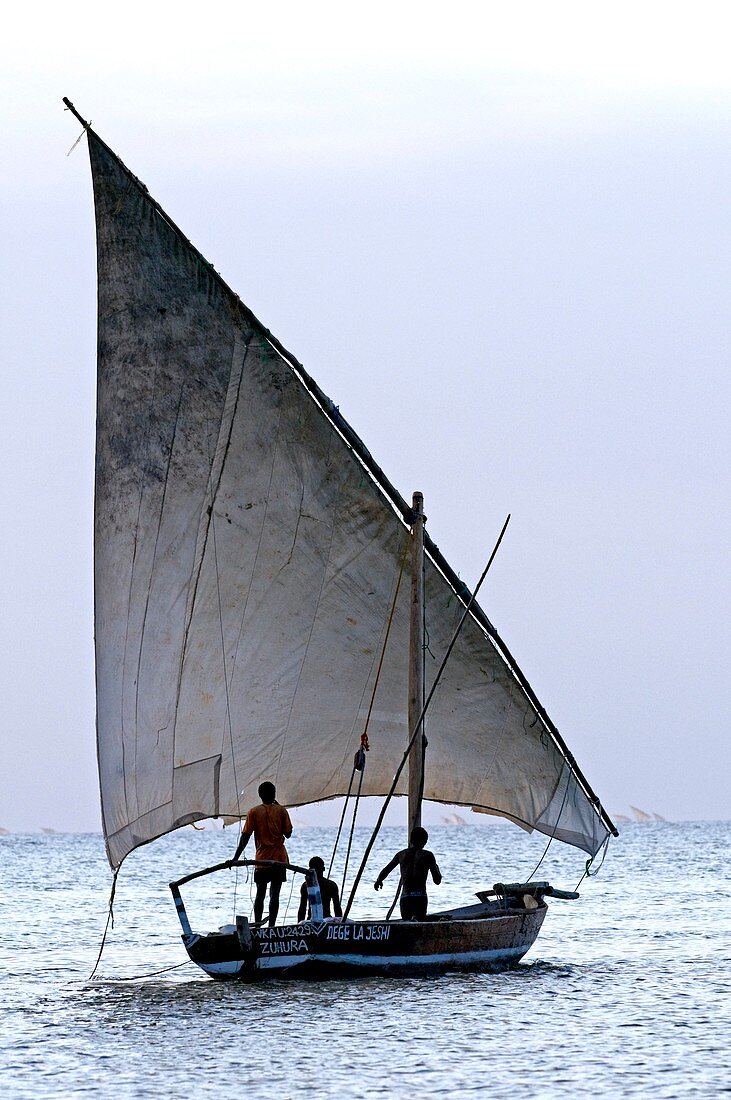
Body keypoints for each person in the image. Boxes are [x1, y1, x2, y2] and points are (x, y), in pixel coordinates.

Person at [234, 781, 292, 927]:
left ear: (260, 795)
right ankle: (271, 925)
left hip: (262, 860)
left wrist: (236, 857)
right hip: (279, 858)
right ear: (274, 794)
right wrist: (278, 807)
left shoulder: (253, 812)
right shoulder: (281, 811)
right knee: (275, 894)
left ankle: (258, 925)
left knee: (260, 893)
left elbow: (245, 837)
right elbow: (288, 833)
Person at [373, 826, 442, 919]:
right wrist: (436, 867)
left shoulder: (401, 854)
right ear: (425, 841)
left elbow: (387, 869)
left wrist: (379, 880)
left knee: (407, 922)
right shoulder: (428, 855)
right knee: (420, 924)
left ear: (411, 840)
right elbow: (437, 881)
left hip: (406, 896)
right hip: (420, 896)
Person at [297, 856, 342, 922]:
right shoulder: (331, 885)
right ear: (323, 869)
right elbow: (337, 909)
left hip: (323, 920)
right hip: (322, 920)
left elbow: (302, 909)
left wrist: (299, 925)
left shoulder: (306, 886)